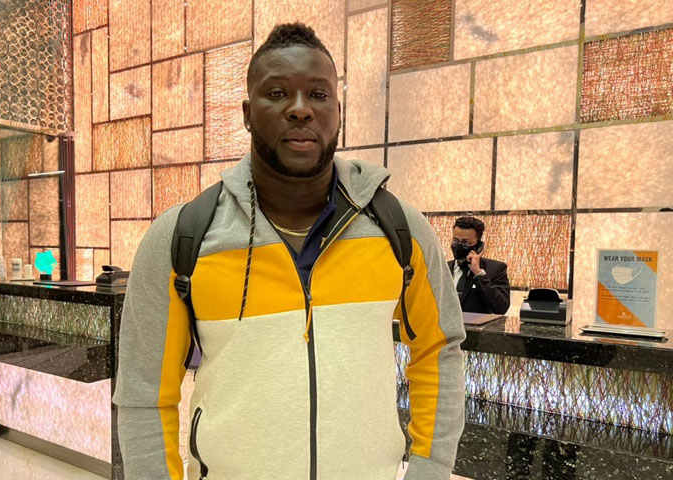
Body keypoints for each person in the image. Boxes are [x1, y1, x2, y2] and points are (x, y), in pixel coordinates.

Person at [113, 23, 465, 480]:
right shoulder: (181, 238)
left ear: (337, 112)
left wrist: (430, 469)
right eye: (277, 93)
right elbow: (144, 391)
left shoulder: (400, 229)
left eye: (318, 94)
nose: (300, 109)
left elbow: (438, 349)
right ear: (247, 113)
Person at [448, 216, 510, 314]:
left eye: (465, 242)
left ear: (478, 245)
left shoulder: (495, 269)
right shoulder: (443, 268)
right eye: (455, 240)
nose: (459, 245)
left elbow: (501, 308)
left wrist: (478, 273)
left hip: (474, 324)